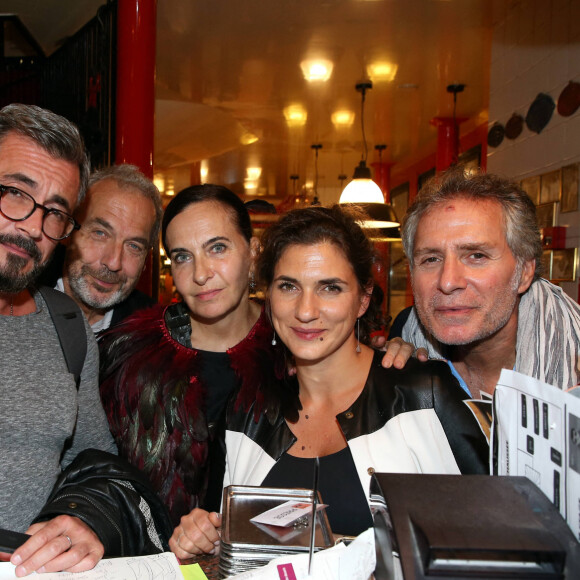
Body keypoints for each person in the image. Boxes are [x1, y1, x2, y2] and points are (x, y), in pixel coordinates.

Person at [98, 185, 420, 534]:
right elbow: (101, 472)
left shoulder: (298, 343)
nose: (201, 273)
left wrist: (394, 361)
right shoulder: (130, 356)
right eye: (182, 256)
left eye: (217, 248)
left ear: (252, 251)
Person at [170, 205, 488, 557]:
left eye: (330, 288)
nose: (306, 311)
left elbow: (499, 537)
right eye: (288, 286)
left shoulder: (424, 394)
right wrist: (200, 537)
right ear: (269, 295)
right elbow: (223, 539)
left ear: (363, 298)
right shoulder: (247, 408)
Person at [0, 104, 170, 577]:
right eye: (14, 192)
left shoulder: (67, 328)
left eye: (55, 212)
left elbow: (94, 464)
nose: (33, 226)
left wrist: (85, 517)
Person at [399, 168, 580, 398]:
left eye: (476, 256)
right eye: (431, 259)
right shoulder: (406, 349)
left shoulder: (573, 354)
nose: (447, 282)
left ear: (524, 272)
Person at [41, 164, 162, 332]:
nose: (113, 263)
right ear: (68, 229)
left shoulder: (154, 336)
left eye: (133, 246)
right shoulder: (14, 301)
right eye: (100, 233)